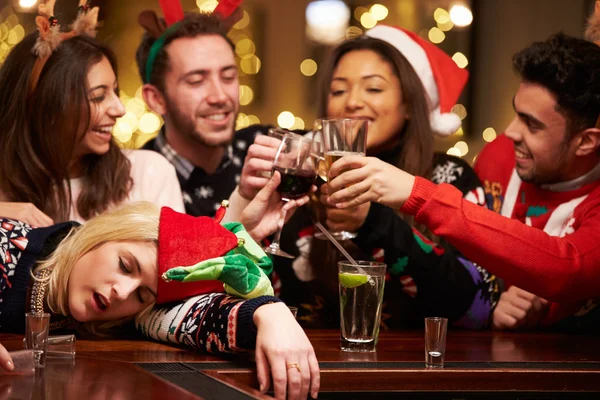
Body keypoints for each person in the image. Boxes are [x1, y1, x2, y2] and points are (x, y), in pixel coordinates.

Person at [325, 32, 600, 332]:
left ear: (585, 142)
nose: (510, 132)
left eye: (532, 124)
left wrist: (416, 194)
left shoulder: (450, 173)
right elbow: (480, 271)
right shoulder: (500, 157)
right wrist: (498, 306)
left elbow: (568, 269)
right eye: (516, 113)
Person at [236, 26, 500, 329]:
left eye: (373, 88)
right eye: (338, 90)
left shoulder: (449, 178)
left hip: (417, 368)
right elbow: (251, 292)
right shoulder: (305, 181)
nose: (352, 102)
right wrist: (249, 224)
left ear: (411, 105)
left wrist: (374, 222)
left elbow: (478, 310)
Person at [0, 171, 318, 400]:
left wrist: (270, 313)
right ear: (99, 235)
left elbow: (198, 318)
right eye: (125, 265)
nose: (122, 292)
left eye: (142, 294)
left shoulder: (127, 314)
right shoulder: (9, 246)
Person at [0, 1, 184, 226]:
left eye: (115, 91)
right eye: (98, 96)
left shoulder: (148, 173)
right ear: (47, 108)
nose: (120, 109)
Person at [136, 7, 274, 217]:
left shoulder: (263, 149)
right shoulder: (136, 184)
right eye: (196, 81)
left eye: (228, 77)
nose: (219, 96)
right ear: (157, 99)